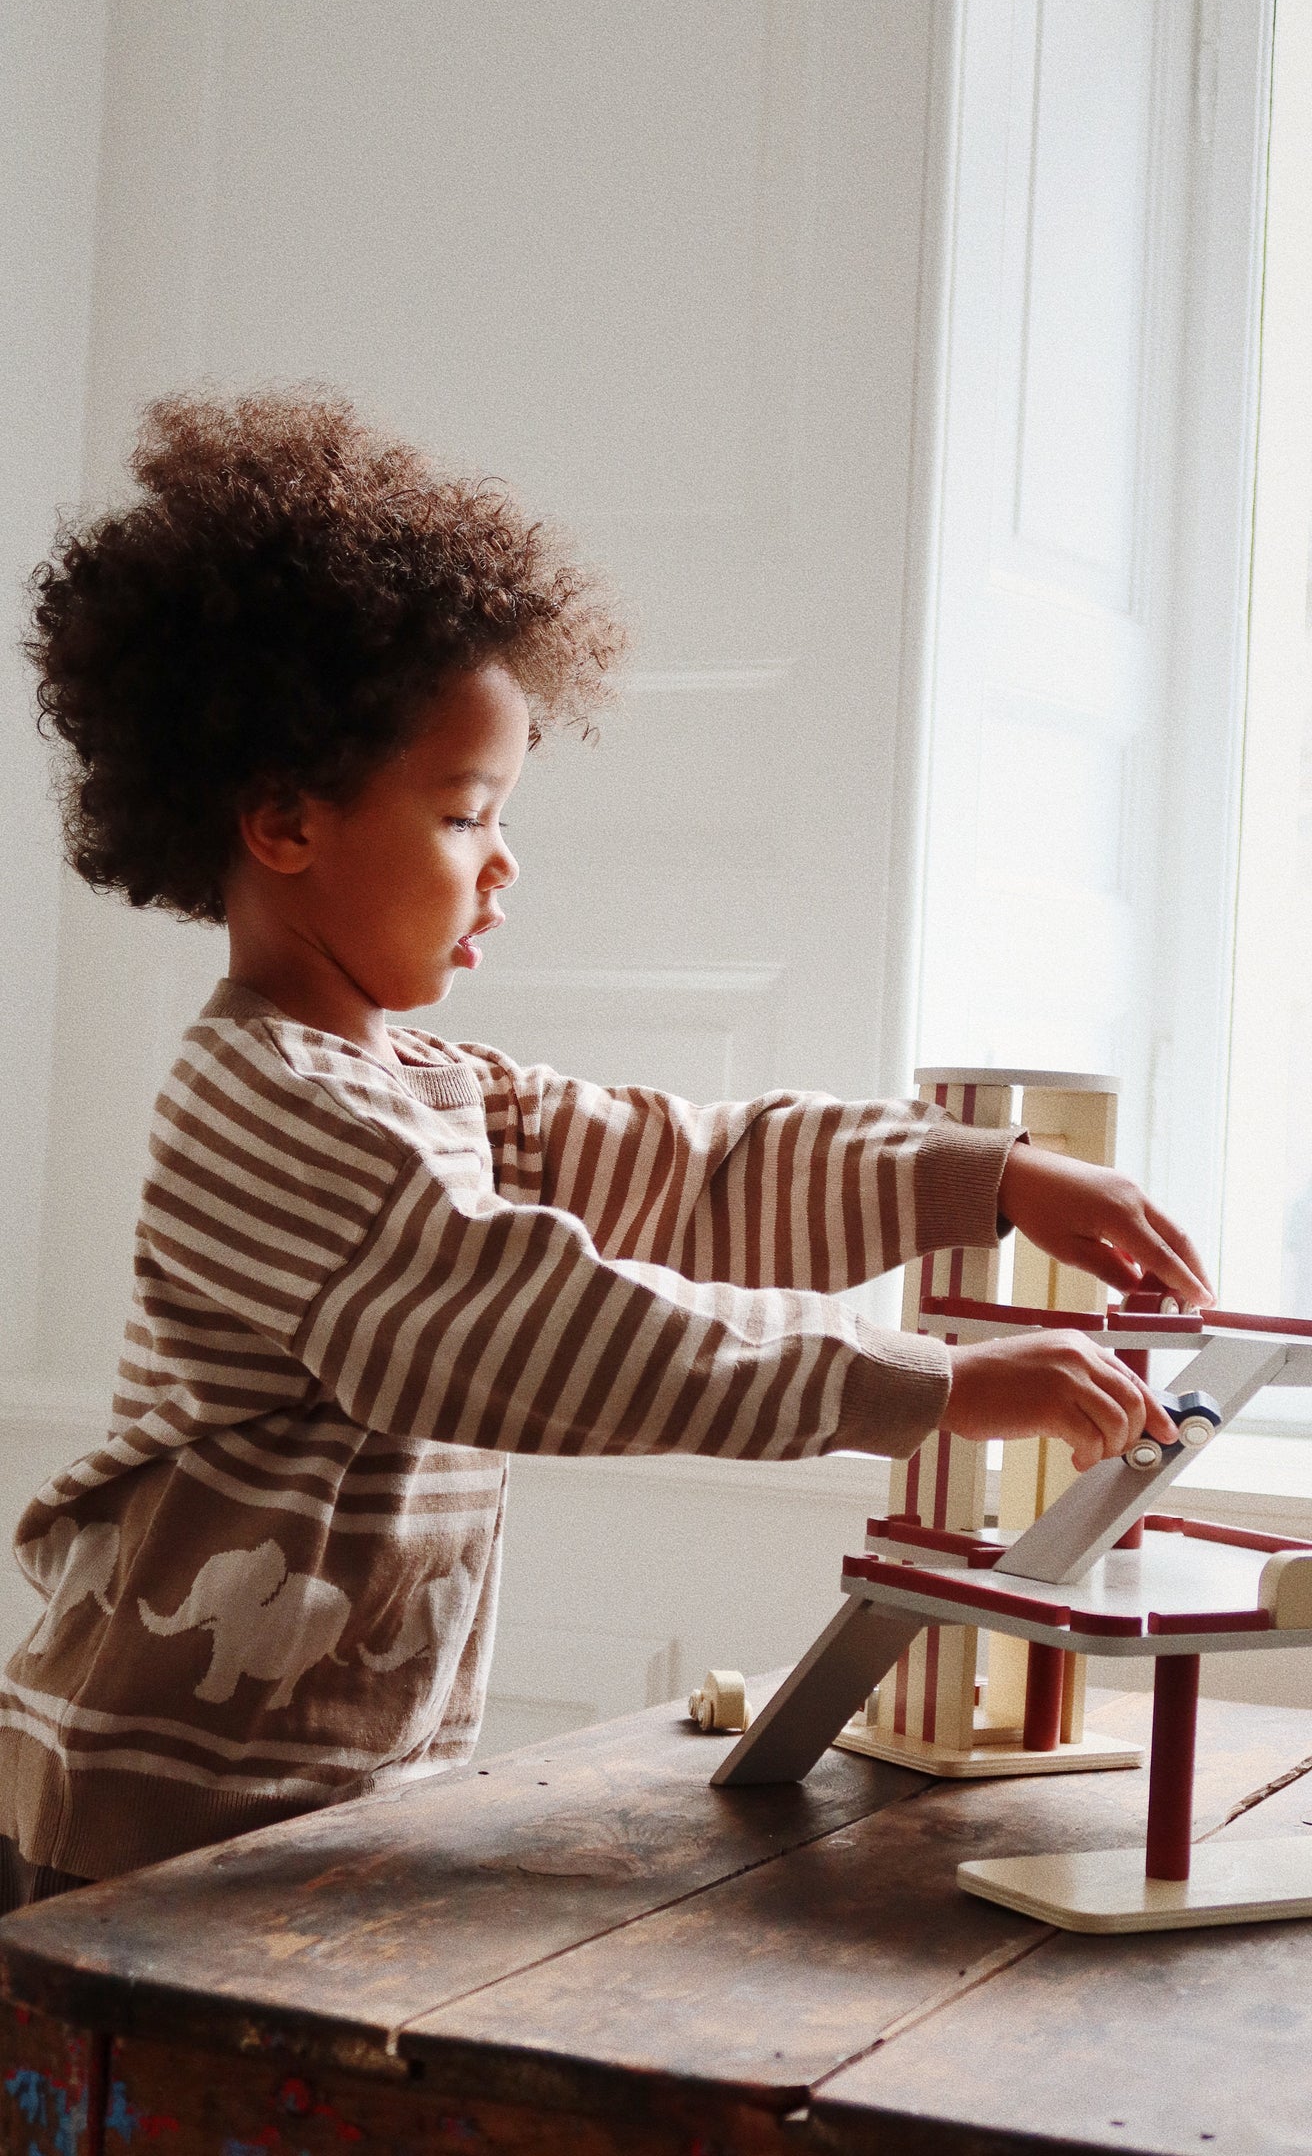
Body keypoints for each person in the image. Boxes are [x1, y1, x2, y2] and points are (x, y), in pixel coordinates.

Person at [0, 392, 1211, 1909]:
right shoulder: (271, 1109)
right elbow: (550, 1324)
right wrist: (937, 1388)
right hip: (154, 1804)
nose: (503, 863)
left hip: (319, 1797)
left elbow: (694, 1171)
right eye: (461, 815)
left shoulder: (429, 1085)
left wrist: (982, 1175)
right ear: (285, 822)